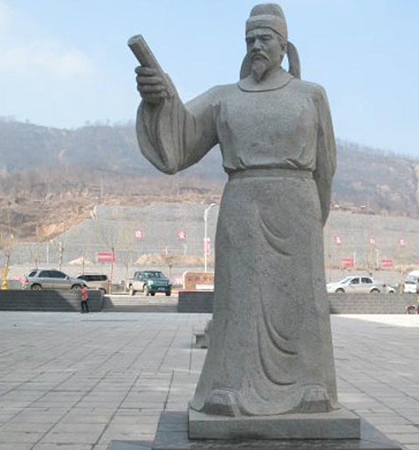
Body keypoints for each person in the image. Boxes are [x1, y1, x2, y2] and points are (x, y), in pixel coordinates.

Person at [134, 3, 337, 417]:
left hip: (298, 208)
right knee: (239, 300)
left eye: (265, 39)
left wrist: (314, 218)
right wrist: (159, 99)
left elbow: (326, 166)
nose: (256, 46)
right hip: (243, 207)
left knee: (304, 300)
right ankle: (228, 387)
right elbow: (182, 138)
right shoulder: (224, 97)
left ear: (284, 45)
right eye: (250, 40)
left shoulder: (310, 95)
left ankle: (310, 387)